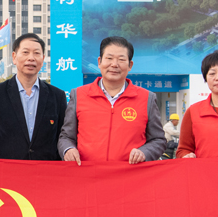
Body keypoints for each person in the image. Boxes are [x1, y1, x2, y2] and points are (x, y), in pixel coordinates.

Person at [57, 36, 166, 164]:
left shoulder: (147, 98)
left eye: (121, 59)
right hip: (88, 173)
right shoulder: (78, 95)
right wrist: (68, 149)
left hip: (131, 174)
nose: (114, 64)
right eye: (109, 58)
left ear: (130, 65)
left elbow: (158, 140)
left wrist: (144, 152)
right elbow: (66, 137)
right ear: (99, 62)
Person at [0, 33, 68, 160]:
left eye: (36, 53)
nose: (31, 58)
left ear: (43, 59)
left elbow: (63, 139)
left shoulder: (57, 96)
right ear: (14, 57)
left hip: (46, 171)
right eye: (25, 52)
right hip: (8, 171)